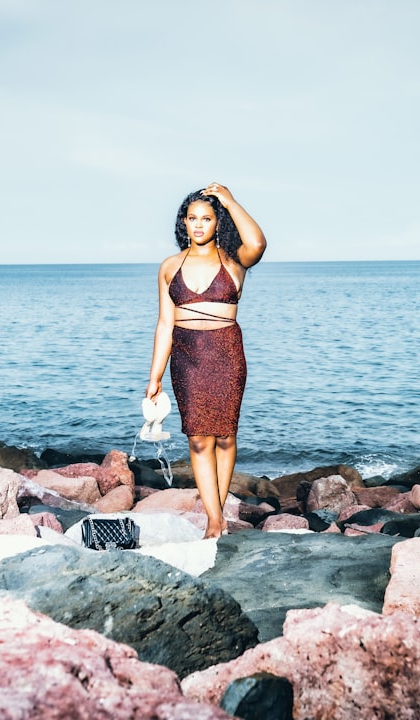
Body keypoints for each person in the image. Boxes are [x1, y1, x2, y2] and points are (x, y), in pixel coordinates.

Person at [146, 183, 267, 539]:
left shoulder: (234, 259)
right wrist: (154, 377)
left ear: (218, 222)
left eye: (207, 218)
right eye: (192, 218)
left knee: (226, 437)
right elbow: (165, 323)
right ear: (183, 222)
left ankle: (220, 511)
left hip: (226, 352)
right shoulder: (170, 267)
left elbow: (258, 243)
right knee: (199, 440)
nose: (199, 225)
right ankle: (215, 519)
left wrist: (229, 200)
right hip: (186, 356)